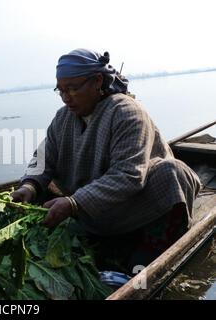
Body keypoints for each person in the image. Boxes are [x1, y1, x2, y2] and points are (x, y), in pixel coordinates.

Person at [11, 48, 201, 274]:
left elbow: (128, 175)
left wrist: (74, 203)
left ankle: (149, 252)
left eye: (72, 88)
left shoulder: (126, 112)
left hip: (136, 206)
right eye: (60, 90)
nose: (66, 97)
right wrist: (29, 185)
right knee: (39, 189)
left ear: (97, 81)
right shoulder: (63, 118)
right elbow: (43, 157)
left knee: (172, 172)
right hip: (94, 212)